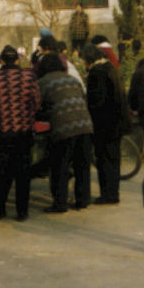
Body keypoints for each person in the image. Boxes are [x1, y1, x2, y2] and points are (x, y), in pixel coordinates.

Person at [0, 45, 41, 220]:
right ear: (18, 60)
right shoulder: (29, 78)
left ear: (2, 61)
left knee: (0, 173)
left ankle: (0, 209)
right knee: (22, 173)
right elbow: (36, 104)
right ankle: (22, 211)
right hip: (23, 133)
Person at [36, 52, 93, 212]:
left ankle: (60, 203)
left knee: (59, 165)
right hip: (85, 125)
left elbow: (36, 106)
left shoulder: (43, 82)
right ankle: (83, 200)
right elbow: (83, 99)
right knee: (82, 165)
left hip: (63, 128)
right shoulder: (73, 80)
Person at [82, 43, 131, 204]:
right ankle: (113, 192)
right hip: (117, 122)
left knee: (104, 159)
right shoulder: (111, 68)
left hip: (104, 125)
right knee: (114, 159)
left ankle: (108, 194)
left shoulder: (97, 74)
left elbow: (97, 102)